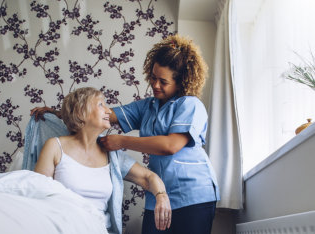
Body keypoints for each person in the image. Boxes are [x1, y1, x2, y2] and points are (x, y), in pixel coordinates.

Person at [31, 34, 220, 234]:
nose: (155, 85)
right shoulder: (147, 107)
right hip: (157, 196)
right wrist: (61, 113)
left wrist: (121, 141)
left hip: (193, 194)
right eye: (153, 78)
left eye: (163, 82)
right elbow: (102, 114)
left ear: (180, 82)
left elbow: (170, 146)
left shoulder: (190, 105)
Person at [34, 87, 171, 234]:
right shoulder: (55, 146)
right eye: (101, 105)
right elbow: (38, 195)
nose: (108, 111)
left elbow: (148, 177)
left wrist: (161, 196)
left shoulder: (112, 155)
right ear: (81, 112)